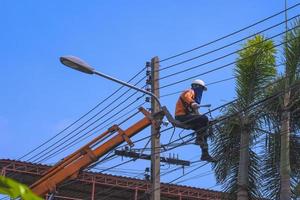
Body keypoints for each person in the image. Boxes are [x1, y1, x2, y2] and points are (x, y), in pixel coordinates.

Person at [175, 79, 215, 162]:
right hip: (181, 116)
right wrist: (192, 103)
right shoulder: (190, 92)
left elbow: (197, 115)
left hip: (188, 117)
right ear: (197, 87)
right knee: (204, 119)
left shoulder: (194, 101)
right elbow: (187, 97)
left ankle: (205, 153)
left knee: (203, 129)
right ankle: (199, 139)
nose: (201, 92)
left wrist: (207, 122)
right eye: (201, 89)